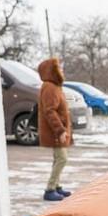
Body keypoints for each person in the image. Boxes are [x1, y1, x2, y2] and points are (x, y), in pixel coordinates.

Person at [37, 58, 73, 201]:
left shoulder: (55, 86)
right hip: (56, 132)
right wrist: (60, 130)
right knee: (62, 159)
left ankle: (57, 186)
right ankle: (50, 189)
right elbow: (50, 111)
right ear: (52, 71)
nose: (62, 71)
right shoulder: (49, 87)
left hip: (59, 130)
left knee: (58, 158)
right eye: (59, 68)